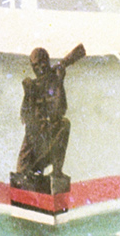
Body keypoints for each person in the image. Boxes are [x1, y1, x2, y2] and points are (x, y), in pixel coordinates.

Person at [14, 45, 86, 184]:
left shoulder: (52, 81)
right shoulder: (33, 86)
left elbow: (58, 112)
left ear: (47, 62)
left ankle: (56, 171)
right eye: (35, 65)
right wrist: (28, 95)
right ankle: (33, 172)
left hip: (45, 142)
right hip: (32, 151)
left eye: (42, 63)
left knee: (64, 124)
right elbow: (28, 120)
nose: (39, 68)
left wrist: (59, 82)